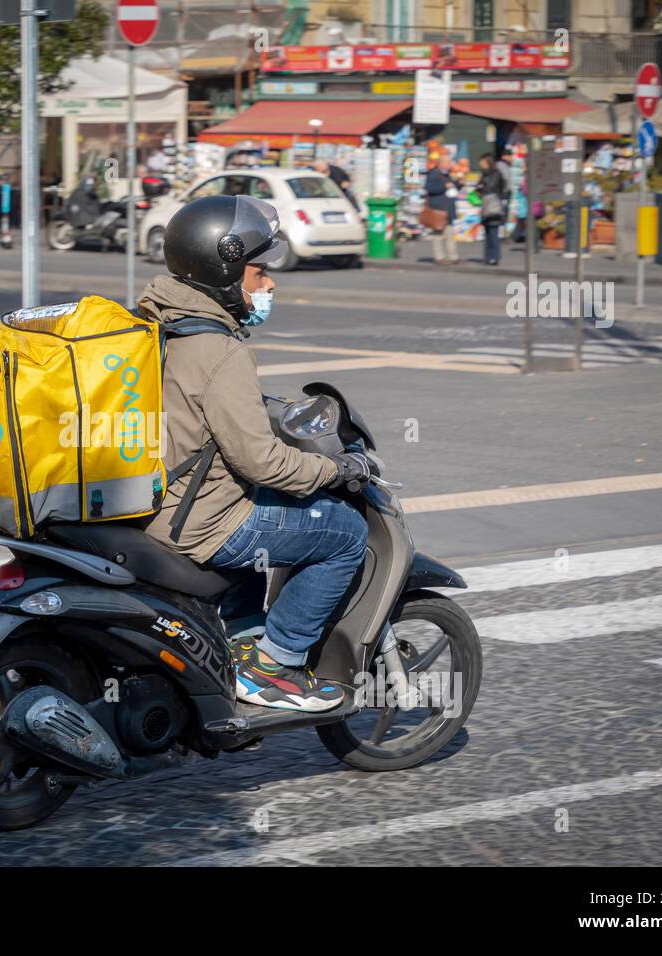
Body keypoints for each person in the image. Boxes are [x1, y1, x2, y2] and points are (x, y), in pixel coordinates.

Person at [136, 195, 371, 713]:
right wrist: (334, 468)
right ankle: (274, 663)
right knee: (342, 532)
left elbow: (197, 411)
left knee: (268, 508)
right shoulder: (221, 349)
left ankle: (241, 637)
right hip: (195, 521)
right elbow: (259, 460)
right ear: (224, 269)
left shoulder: (156, 321)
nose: (269, 285)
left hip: (150, 502)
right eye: (259, 272)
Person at [425, 154, 459, 265]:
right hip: (438, 209)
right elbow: (429, 188)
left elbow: (452, 186)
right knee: (438, 233)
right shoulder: (433, 174)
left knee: (449, 232)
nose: (450, 164)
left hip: (447, 208)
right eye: (448, 162)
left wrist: (458, 184)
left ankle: (453, 256)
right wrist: (445, 186)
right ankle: (439, 256)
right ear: (441, 163)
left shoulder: (446, 174)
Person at [476, 153, 506, 266]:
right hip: (486, 205)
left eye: (482, 161)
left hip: (493, 206)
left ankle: (494, 257)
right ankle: (488, 256)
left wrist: (481, 187)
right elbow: (480, 187)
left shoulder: (495, 174)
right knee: (487, 233)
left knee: (493, 232)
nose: (480, 164)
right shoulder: (484, 174)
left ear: (487, 162)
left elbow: (491, 187)